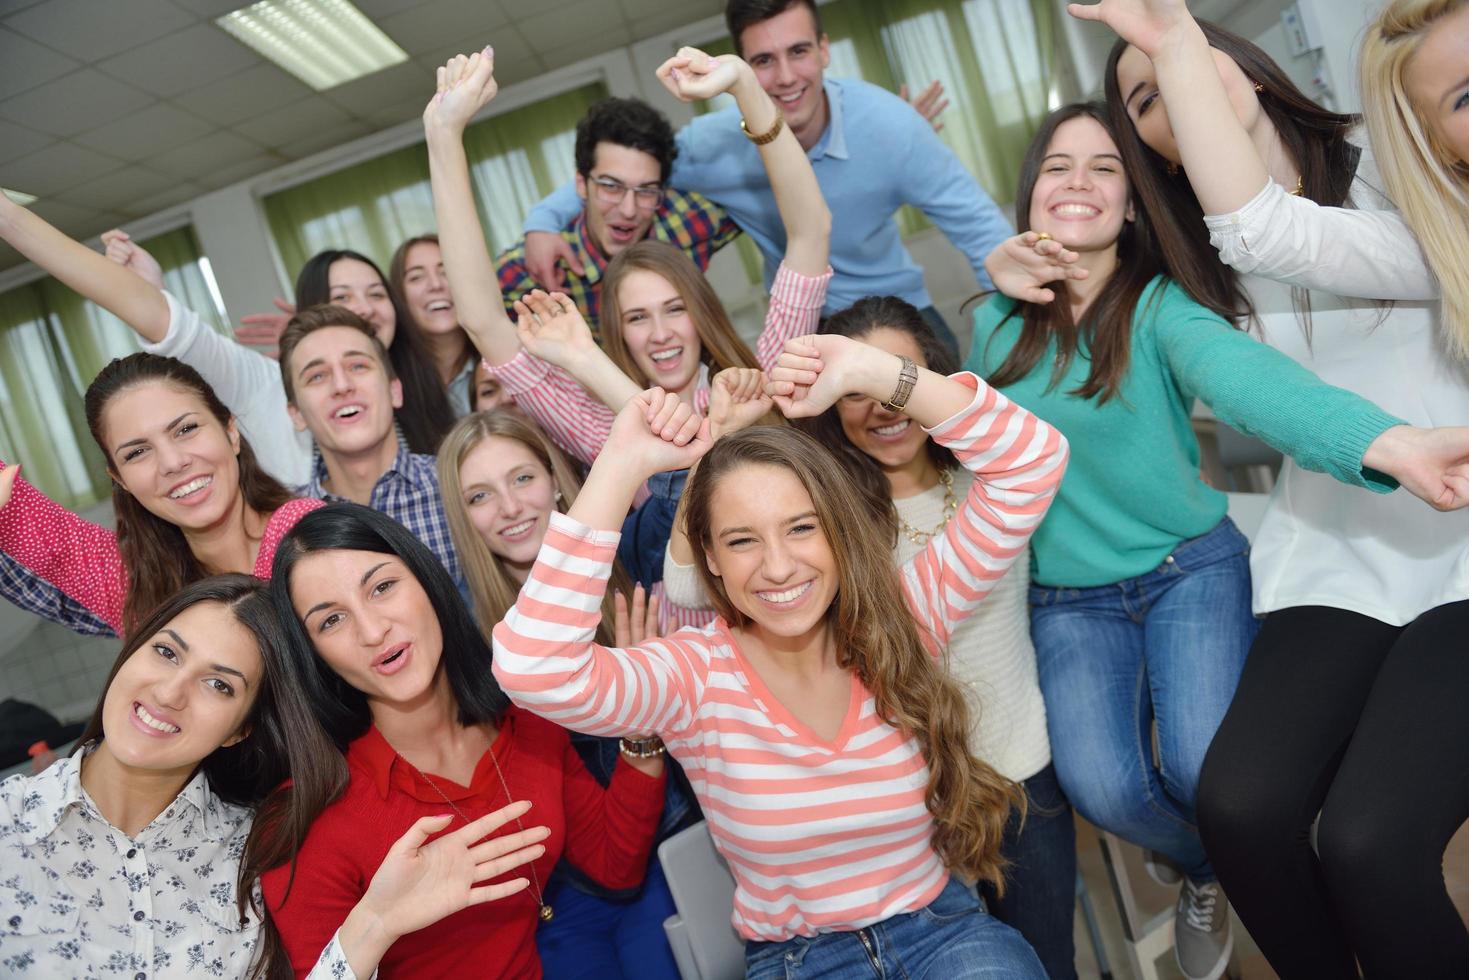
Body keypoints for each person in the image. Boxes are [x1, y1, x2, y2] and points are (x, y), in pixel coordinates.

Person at [962, 100, 1469, 980]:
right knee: (1106, 789)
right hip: (1067, 595)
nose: (1076, 181)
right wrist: (991, 274)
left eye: (1103, 167)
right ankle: (1200, 869)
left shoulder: (1160, 309)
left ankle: (1293, 903)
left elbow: (1254, 385)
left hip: (1181, 571)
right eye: (1055, 166)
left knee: (1210, 776)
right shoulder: (990, 323)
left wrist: (1386, 443)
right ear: (1027, 196)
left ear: (1131, 206)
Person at [494, 324, 1071, 977]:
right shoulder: (691, 675)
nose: (777, 567)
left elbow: (1032, 460)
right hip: (800, 960)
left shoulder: (902, 618)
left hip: (941, 932)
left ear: (837, 532)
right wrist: (620, 462)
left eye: (800, 528)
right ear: (708, 556)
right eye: (741, 540)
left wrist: (874, 370)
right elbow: (532, 667)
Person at [666, 296, 1076, 978]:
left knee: (1041, 959)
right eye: (856, 391)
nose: (881, 407)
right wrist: (714, 448)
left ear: (929, 377)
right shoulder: (821, 524)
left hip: (1013, 772)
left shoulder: (983, 482)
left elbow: (1031, 459)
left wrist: (875, 370)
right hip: (893, 799)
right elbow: (687, 586)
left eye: (893, 379)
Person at [0, 573, 548, 980]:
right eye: (166, 653)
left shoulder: (258, 849)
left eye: (221, 686)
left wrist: (374, 924)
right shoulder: (9, 825)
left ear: (241, 730)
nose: (170, 692)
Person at [252, 503, 667, 979]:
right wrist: (376, 924)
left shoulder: (525, 720)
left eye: (382, 587)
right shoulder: (305, 820)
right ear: (312, 654)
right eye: (331, 621)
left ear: (427, 579)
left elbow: (613, 865)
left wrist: (640, 728)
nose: (372, 631)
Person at [521, 0, 1013, 351]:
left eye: (798, 51)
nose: (784, 77)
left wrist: (1027, 323)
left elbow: (981, 232)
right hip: (806, 323)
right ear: (740, 68)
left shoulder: (892, 126)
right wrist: (543, 222)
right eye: (762, 61)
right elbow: (625, 172)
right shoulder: (716, 145)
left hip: (898, 310)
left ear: (824, 49)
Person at [427, 46, 830, 468]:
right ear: (614, 331)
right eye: (637, 317)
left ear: (702, 312)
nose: (661, 334)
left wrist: (746, 85)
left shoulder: (760, 380)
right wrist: (443, 134)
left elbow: (810, 229)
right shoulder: (604, 429)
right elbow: (482, 318)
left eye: (675, 309)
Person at [437, 409, 691, 979]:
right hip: (575, 876)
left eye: (523, 478)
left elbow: (694, 486)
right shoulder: (469, 637)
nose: (510, 508)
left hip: (686, 840)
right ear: (461, 517)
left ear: (556, 478)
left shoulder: (628, 552)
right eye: (480, 495)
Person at [0, 349, 321, 638]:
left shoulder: (308, 533)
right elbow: (41, 531)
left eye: (186, 429)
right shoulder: (134, 583)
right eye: (137, 452)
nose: (172, 462)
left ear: (230, 432)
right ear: (120, 479)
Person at [494, 96, 742, 335]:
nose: (629, 210)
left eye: (646, 191)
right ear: (581, 184)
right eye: (611, 186)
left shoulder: (688, 223)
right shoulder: (532, 271)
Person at [276, 305, 463, 587]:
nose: (341, 385)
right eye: (316, 376)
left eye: (358, 366)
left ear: (394, 390)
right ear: (296, 414)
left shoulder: (458, 485)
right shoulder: (285, 529)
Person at [391, 234, 481, 414]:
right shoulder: (391, 377)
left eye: (447, 272)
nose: (435, 285)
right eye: (416, 277)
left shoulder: (499, 360)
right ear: (398, 296)